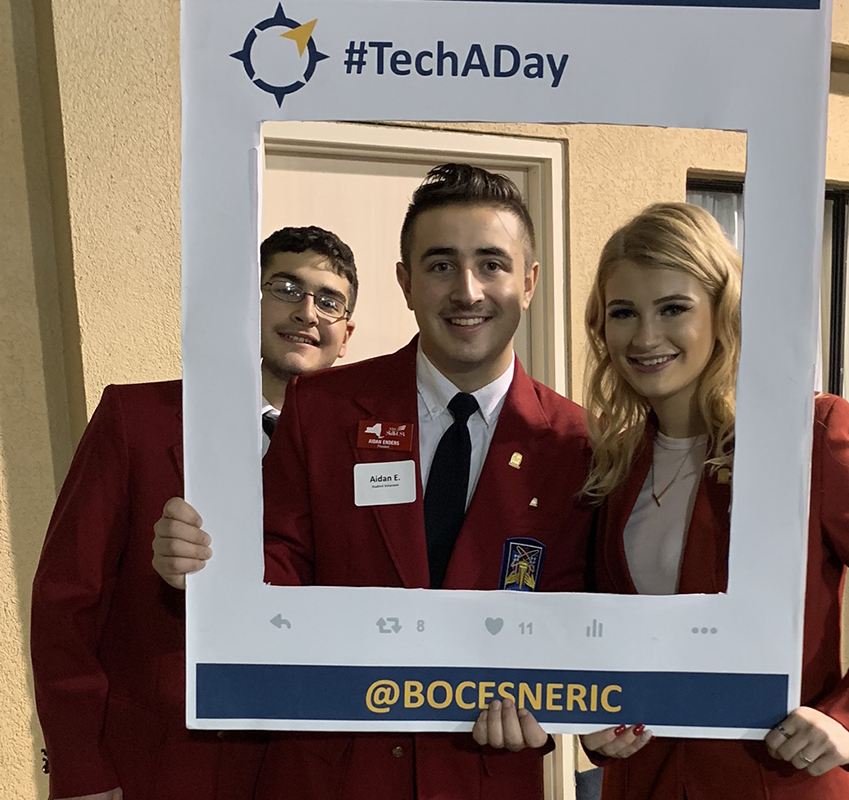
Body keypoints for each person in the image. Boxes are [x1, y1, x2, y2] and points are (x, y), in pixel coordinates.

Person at [152, 163, 594, 800]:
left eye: (491, 264)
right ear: (406, 283)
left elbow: (581, 611)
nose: (467, 291)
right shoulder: (323, 408)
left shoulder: (578, 444)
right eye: (440, 265)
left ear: (528, 283)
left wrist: (559, 709)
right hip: (330, 770)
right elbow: (279, 560)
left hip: (482, 774)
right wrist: (207, 567)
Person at [575, 203, 849, 800]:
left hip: (778, 778)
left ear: (721, 314)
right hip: (644, 778)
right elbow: (600, 628)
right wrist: (593, 725)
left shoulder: (805, 437)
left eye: (673, 308)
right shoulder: (612, 458)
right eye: (624, 312)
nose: (646, 336)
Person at [30, 226, 358, 800]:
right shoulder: (136, 419)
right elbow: (65, 601)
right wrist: (81, 766)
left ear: (345, 334)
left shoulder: (364, 452)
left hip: (310, 765)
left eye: (329, 300)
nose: (307, 311)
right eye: (284, 287)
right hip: (161, 763)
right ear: (244, 303)